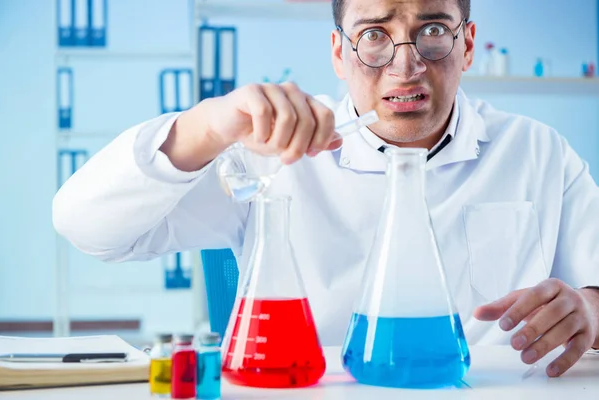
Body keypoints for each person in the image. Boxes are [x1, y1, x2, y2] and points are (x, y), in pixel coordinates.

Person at [53, 0, 599, 377]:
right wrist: (206, 127)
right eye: (374, 36)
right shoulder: (270, 155)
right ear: (339, 52)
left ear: (468, 44)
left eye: (433, 31)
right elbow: (86, 227)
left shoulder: (538, 152)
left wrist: (591, 312)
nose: (405, 65)